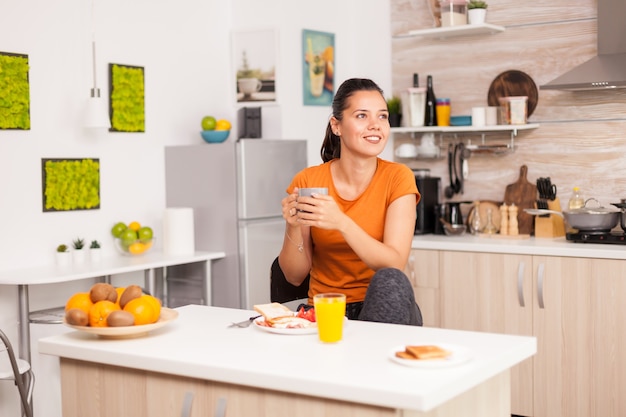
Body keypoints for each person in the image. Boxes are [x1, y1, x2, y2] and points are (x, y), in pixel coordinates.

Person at [278, 78, 423, 326]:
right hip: (327, 310)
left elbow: (394, 264)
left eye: (382, 117)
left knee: (390, 281)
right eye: (362, 116)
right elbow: (293, 276)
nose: (375, 126)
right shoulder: (309, 180)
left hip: (383, 308)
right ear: (337, 125)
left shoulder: (398, 177)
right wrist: (293, 225)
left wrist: (341, 222)